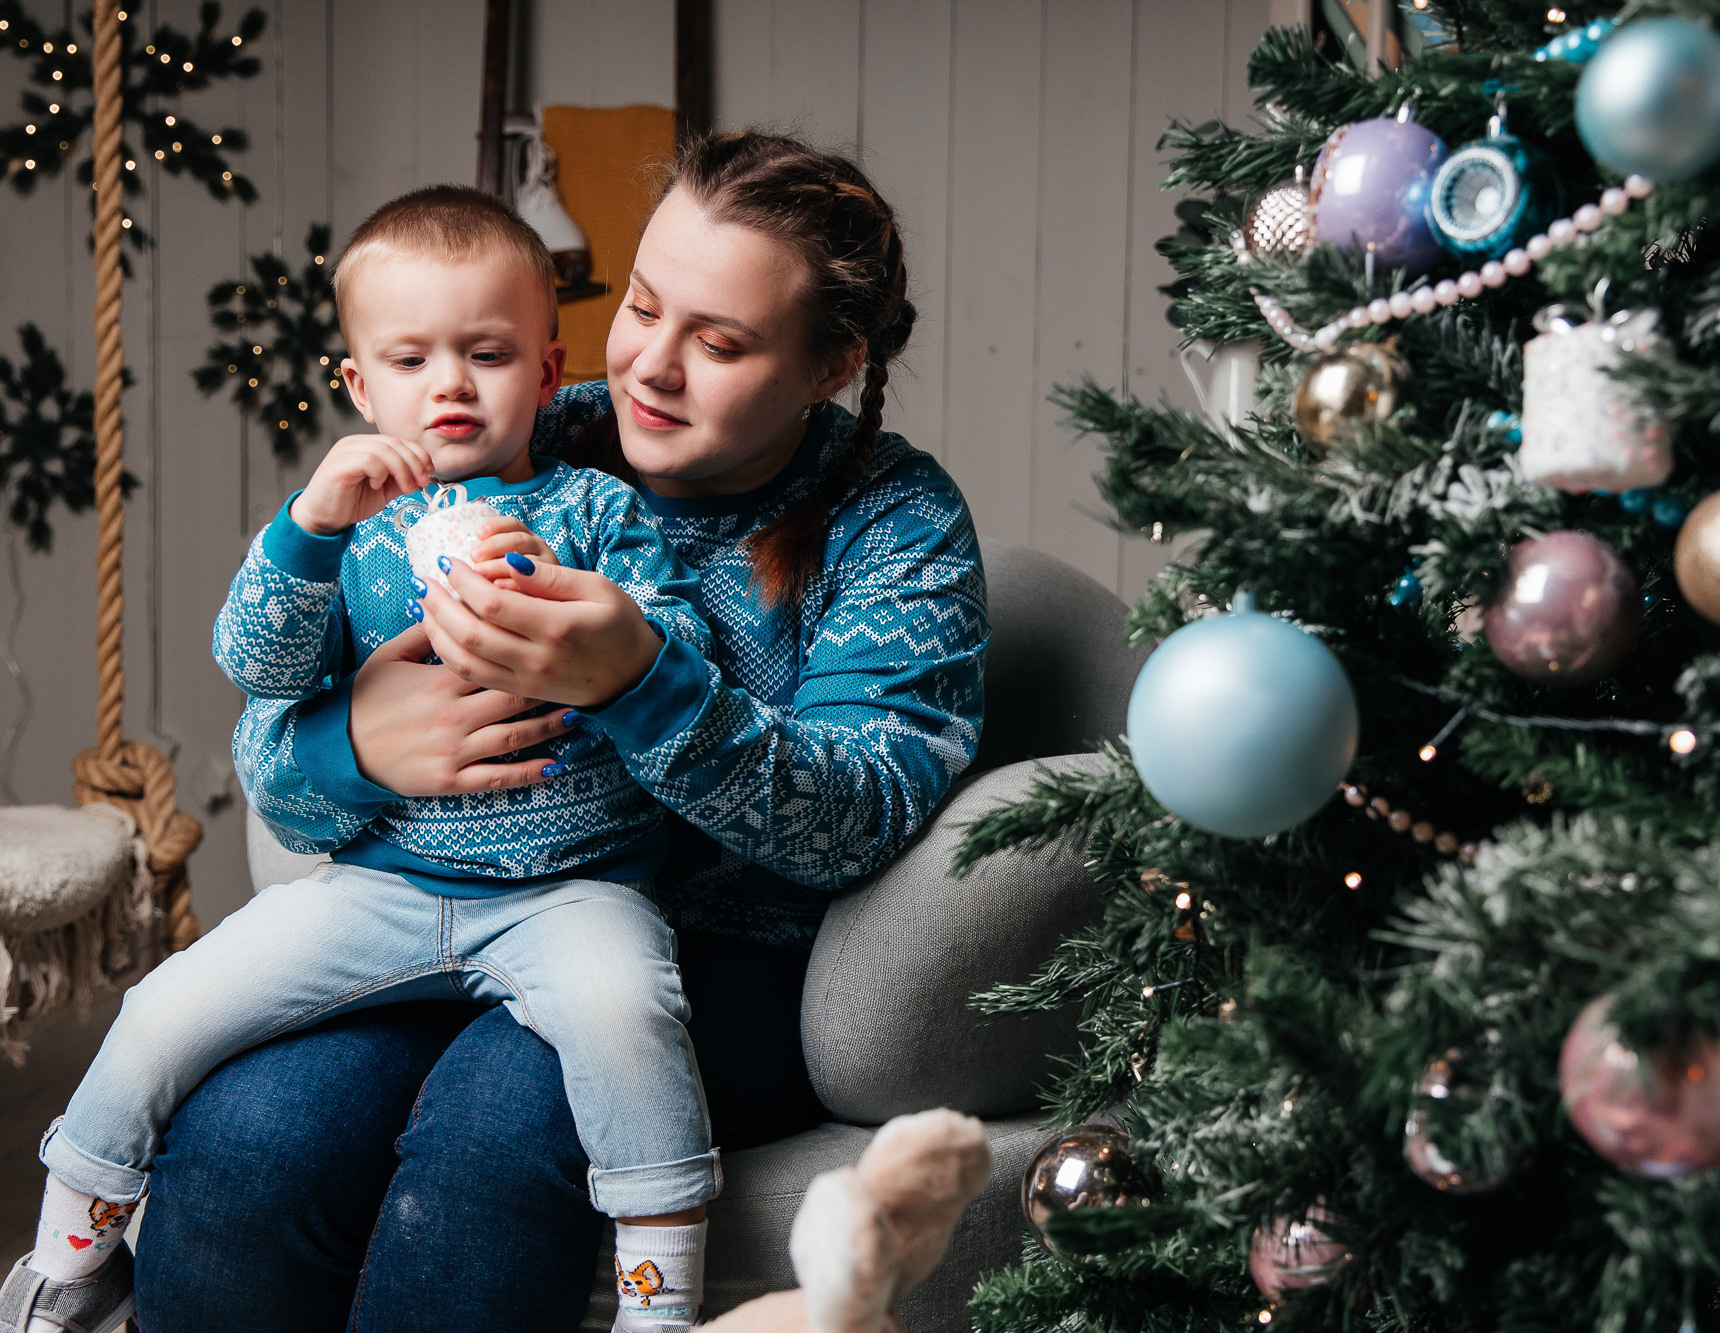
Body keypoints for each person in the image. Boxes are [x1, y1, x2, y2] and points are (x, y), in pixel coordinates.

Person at [128, 132, 988, 1333]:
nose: (654, 367)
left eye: (722, 342)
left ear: (829, 364)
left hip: (711, 954)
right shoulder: (527, 431)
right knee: (242, 1140)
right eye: (643, 306)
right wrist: (351, 745)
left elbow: (862, 815)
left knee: (495, 1130)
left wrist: (642, 682)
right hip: (442, 902)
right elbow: (273, 739)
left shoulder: (890, 519)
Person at [2, 186, 728, 1333]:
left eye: (485, 354)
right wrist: (307, 526)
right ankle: (68, 1260)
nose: (449, 383)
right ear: (360, 387)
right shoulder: (348, 531)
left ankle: (660, 1296)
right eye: (412, 358)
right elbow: (259, 663)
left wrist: (559, 595)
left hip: (569, 890)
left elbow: (674, 644)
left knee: (628, 1013)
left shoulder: (593, 510)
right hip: (383, 889)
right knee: (164, 1006)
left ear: (546, 374)